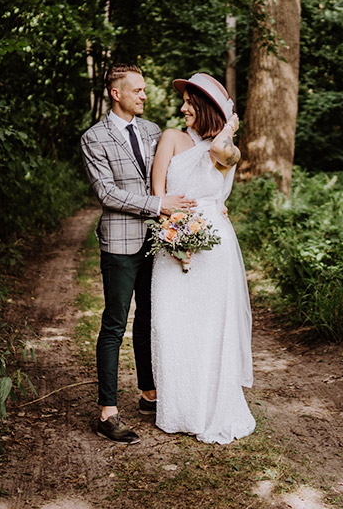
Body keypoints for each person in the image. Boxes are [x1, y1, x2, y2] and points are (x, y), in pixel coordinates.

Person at [81, 64, 194, 444]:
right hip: (119, 244)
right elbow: (107, 194)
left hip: (155, 242)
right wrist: (156, 203)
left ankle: (149, 394)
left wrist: (210, 204)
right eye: (138, 90)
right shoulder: (94, 138)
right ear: (117, 93)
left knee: (150, 317)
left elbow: (172, 177)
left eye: (144, 90)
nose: (145, 95)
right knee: (115, 324)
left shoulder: (152, 132)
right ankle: (107, 412)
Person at [149, 72, 255, 444]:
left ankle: (212, 406)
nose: (182, 108)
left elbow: (220, 155)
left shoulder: (225, 150)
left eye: (190, 103)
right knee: (171, 323)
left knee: (212, 327)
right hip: (174, 237)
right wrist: (176, 234)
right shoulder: (171, 138)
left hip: (214, 246)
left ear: (207, 108)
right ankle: (179, 408)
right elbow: (158, 193)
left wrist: (227, 127)